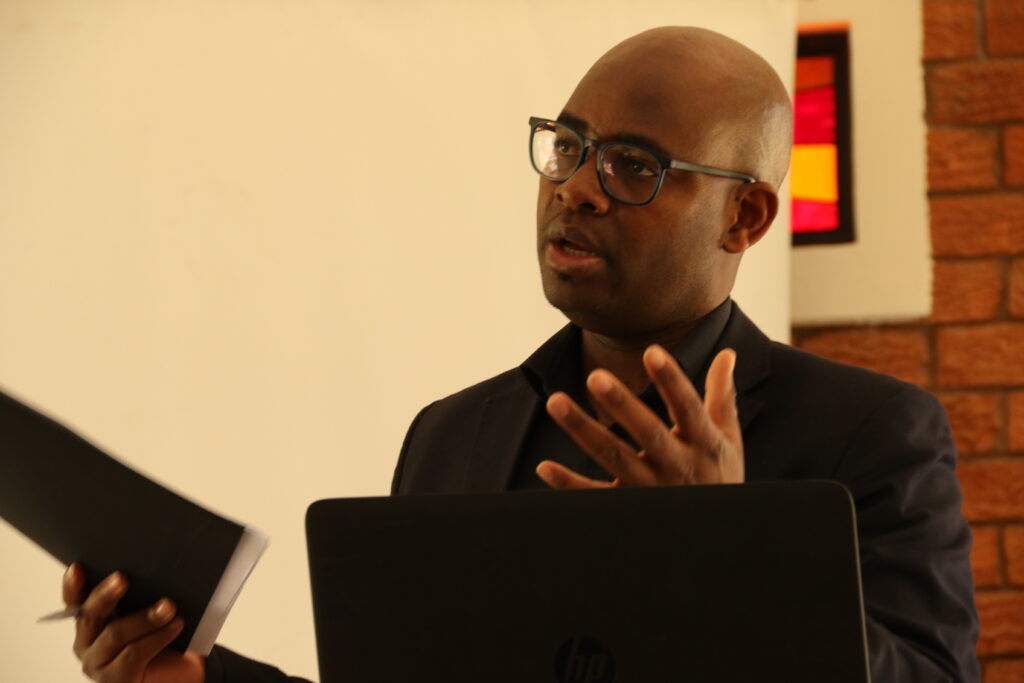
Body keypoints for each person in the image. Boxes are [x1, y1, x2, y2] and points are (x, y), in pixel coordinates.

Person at [62, 26, 979, 683]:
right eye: (568, 146)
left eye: (633, 165)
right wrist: (194, 675)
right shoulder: (451, 434)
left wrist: (728, 558)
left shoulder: (871, 432)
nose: (576, 187)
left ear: (743, 216)